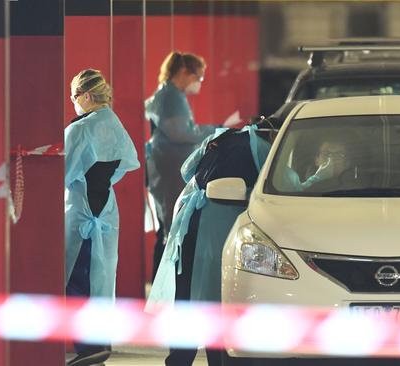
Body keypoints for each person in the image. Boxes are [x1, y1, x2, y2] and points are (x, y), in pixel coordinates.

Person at [146, 122, 273, 366]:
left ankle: (179, 360)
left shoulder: (220, 137)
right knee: (216, 297)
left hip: (191, 220)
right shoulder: (262, 148)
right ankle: (217, 360)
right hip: (217, 229)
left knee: (186, 292)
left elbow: (187, 170)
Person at [64, 69, 140, 366]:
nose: (73, 103)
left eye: (73, 97)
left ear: (84, 96)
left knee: (76, 278)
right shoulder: (114, 123)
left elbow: (64, 172)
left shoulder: (80, 129)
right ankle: (98, 342)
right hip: (105, 209)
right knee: (101, 279)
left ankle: (89, 347)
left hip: (81, 213)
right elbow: (125, 164)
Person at [145, 51, 216, 281]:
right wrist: (212, 130)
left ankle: (163, 284)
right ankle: (163, 284)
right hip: (168, 168)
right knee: (169, 229)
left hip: (165, 166)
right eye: (199, 78)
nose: (199, 83)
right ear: (184, 72)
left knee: (168, 226)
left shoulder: (169, 94)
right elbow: (179, 132)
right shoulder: (170, 96)